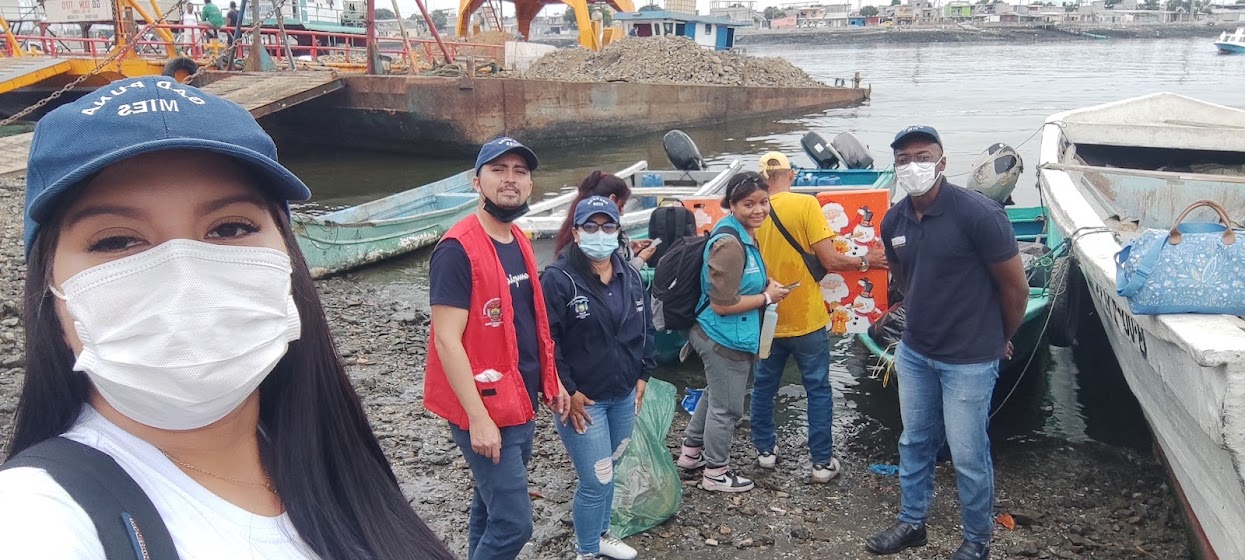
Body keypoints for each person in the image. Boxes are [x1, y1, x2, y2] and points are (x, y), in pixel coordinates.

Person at [0, 76, 453, 559]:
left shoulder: (335, 467)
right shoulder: (38, 514)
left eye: (230, 228)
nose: (185, 279)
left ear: (287, 258)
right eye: (116, 240)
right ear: (50, 290)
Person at [864, 126, 1028, 560]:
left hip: (970, 358)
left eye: (922, 157)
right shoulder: (894, 220)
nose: (913, 166)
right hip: (916, 352)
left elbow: (1016, 289)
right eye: (903, 160)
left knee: (968, 453)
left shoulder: (979, 214)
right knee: (914, 441)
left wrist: (1001, 337)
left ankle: (976, 540)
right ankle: (912, 521)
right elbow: (904, 277)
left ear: (942, 162)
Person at [425, 136, 572, 560]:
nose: (510, 179)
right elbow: (446, 339)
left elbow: (527, 323)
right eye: (498, 170)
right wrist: (478, 419)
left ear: (530, 185)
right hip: (485, 405)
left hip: (519, 398)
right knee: (513, 523)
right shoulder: (457, 250)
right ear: (477, 182)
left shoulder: (517, 239)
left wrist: (552, 380)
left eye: (519, 172)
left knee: (489, 506)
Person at [749, 151, 888, 483]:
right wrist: (868, 261)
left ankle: (765, 452)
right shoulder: (805, 205)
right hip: (806, 317)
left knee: (764, 386)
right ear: (791, 174)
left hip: (765, 315)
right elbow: (831, 261)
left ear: (761, 178)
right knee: (818, 389)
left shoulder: (750, 212)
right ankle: (822, 463)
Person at [542, 195, 656, 560]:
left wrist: (644, 373)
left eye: (608, 226)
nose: (599, 233)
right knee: (595, 478)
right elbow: (548, 341)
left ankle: (602, 533)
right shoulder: (559, 279)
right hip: (583, 400)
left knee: (612, 465)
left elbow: (645, 327)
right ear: (576, 232)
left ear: (618, 230)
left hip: (623, 394)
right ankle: (586, 551)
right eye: (590, 226)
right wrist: (568, 389)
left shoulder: (630, 274)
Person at [675, 172, 791, 493]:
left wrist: (766, 284)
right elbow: (723, 304)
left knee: (715, 394)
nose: (758, 210)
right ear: (732, 205)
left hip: (717, 332)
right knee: (727, 408)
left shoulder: (744, 233)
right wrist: (767, 297)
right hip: (723, 337)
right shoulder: (729, 243)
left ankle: (691, 454)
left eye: (763, 202)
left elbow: (741, 279)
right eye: (748, 204)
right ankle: (716, 473)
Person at [552, 170, 657, 269]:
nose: (622, 212)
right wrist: (641, 258)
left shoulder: (568, 245)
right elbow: (617, 274)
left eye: (608, 227)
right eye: (622, 205)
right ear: (612, 199)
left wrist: (628, 247)